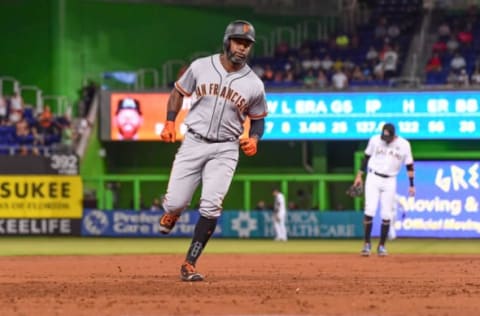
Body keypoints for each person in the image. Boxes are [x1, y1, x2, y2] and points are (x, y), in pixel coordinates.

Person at [157, 20, 268, 282]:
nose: (242, 48)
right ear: (227, 41)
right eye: (238, 42)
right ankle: (172, 211)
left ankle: (189, 263)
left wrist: (254, 138)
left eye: (247, 45)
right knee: (175, 202)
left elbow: (259, 118)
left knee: (211, 205)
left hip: (226, 148)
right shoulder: (201, 66)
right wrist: (170, 121)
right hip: (194, 141)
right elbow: (178, 92)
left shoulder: (254, 84)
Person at [352, 123, 415, 257]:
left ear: (393, 135)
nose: (385, 139)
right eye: (384, 136)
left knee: (387, 214)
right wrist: (359, 175)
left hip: (390, 180)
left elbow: (409, 165)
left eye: (388, 137)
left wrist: (411, 185)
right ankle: (367, 244)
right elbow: (366, 158)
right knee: (370, 210)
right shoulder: (375, 140)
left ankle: (381, 246)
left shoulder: (404, 144)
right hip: (373, 177)